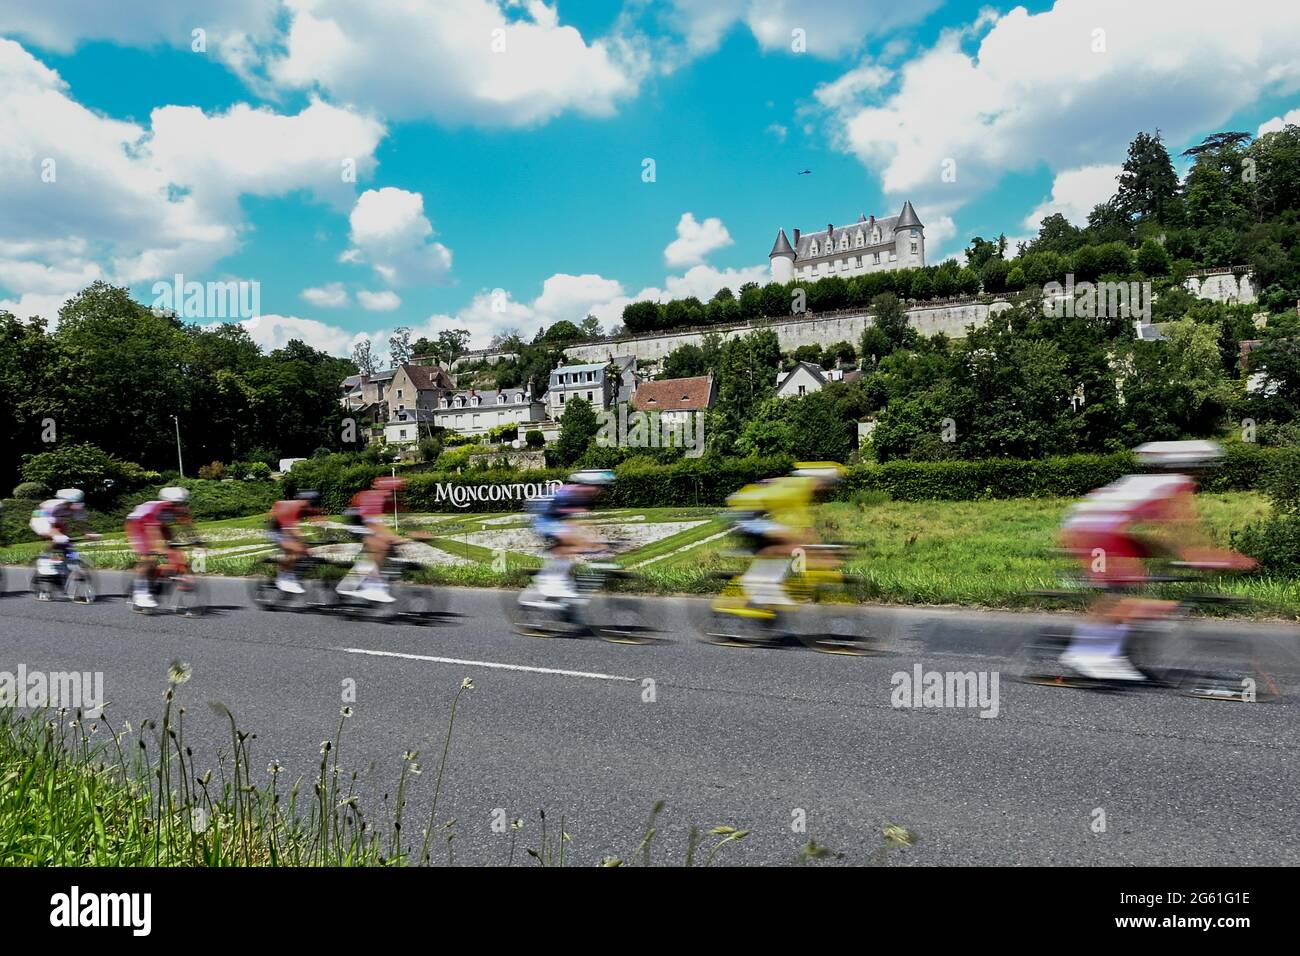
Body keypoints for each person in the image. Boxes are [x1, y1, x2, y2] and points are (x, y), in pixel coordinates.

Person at [1057, 440, 1256, 682]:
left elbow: (1169, 538)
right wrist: (1222, 559)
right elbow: (1187, 540)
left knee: (1127, 584)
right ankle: (1089, 654)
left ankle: (1104, 647)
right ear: (1192, 465)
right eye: (1205, 467)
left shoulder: (1150, 482)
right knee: (1122, 585)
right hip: (1095, 532)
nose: (1206, 472)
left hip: (1097, 528)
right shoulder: (1175, 486)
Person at [725, 463, 845, 608]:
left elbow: (808, 530)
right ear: (817, 480)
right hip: (745, 513)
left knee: (792, 544)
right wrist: (824, 557)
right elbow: (802, 534)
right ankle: (755, 582)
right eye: (828, 486)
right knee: (791, 545)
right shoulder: (799, 491)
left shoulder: (802, 488)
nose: (829, 490)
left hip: (755, 512)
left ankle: (765, 585)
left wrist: (822, 554)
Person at [527, 470, 616, 603]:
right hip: (542, 519)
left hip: (554, 518)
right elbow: (570, 524)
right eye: (599, 487)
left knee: (577, 543)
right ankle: (549, 580)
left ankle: (559, 577)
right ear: (588, 486)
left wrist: (599, 541)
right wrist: (591, 544)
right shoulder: (574, 494)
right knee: (575, 543)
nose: (601, 491)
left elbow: (582, 522)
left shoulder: (585, 497)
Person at [337, 475, 408, 603]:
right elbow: (373, 525)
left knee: (380, 549)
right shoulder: (374, 498)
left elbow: (406, 519)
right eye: (394, 492)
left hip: (367, 520)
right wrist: (393, 537)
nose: (397, 496)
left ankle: (348, 585)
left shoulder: (390, 499)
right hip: (356, 521)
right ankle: (373, 587)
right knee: (379, 545)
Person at [125, 487, 194, 609]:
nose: (180, 507)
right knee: (149, 556)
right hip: (138, 525)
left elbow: (188, 527)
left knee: (175, 552)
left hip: (160, 526)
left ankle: (159, 578)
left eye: (182, 503)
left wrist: (197, 542)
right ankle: (140, 592)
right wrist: (158, 548)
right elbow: (153, 530)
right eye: (176, 504)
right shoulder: (158, 509)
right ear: (167, 503)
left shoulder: (181, 509)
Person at [268, 490, 325, 593]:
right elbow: (292, 530)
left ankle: (292, 571)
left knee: (300, 550)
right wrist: (303, 544)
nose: (313, 508)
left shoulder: (307, 506)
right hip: (276, 530)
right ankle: (283, 578)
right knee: (296, 550)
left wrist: (328, 536)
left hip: (286, 528)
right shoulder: (292, 507)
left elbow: (320, 520)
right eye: (312, 505)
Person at [30, 488, 97, 566]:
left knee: (66, 542)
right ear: (65, 502)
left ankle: (70, 561)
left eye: (77, 503)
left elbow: (81, 522)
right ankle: (46, 557)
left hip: (57, 520)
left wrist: (89, 533)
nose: (75, 506)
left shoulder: (78, 507)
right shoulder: (54, 507)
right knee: (60, 538)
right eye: (71, 503)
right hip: (41, 519)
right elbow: (51, 527)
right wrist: (58, 536)